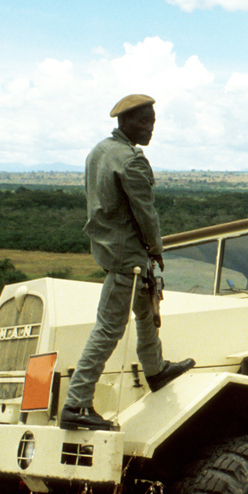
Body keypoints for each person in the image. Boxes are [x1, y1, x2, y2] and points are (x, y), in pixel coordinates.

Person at [59, 94, 194, 431]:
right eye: (143, 122)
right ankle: (76, 404)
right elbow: (145, 211)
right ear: (125, 122)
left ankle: (155, 368)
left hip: (110, 248)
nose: (149, 128)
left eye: (152, 121)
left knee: (146, 310)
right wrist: (156, 247)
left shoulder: (100, 152)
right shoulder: (131, 160)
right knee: (108, 329)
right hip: (128, 255)